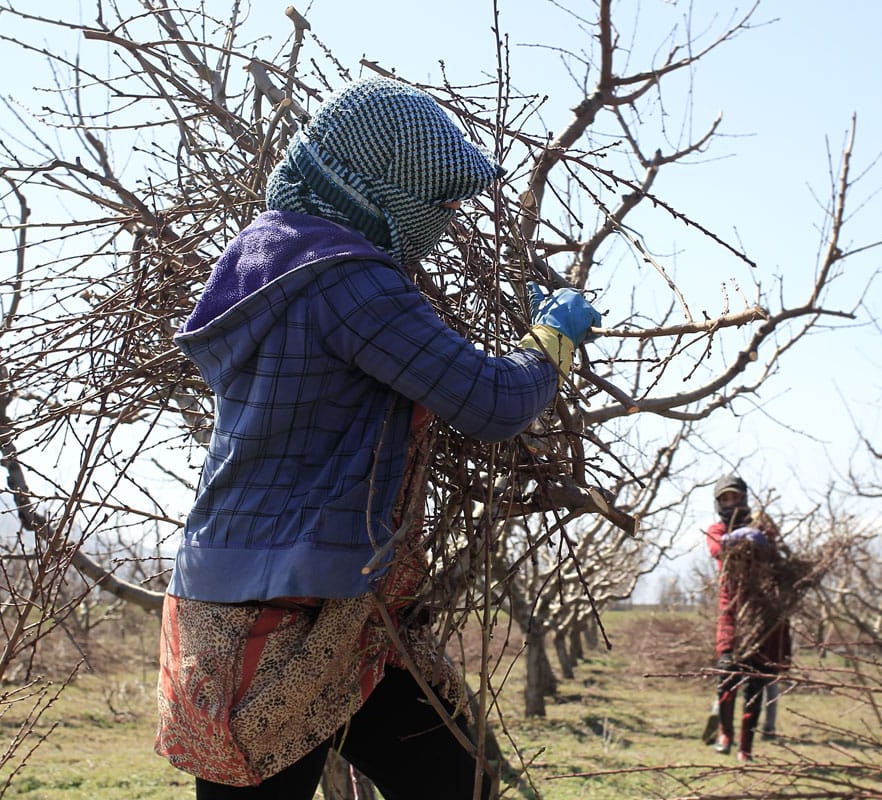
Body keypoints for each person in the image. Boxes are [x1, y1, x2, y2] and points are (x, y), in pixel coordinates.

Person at [154, 76, 602, 800]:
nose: (446, 221)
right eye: (435, 202)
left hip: (275, 596)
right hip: (289, 615)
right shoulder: (349, 281)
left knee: (460, 781)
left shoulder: (262, 256)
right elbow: (491, 401)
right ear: (377, 185)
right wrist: (553, 336)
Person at [704, 474, 791, 762]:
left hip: (759, 614)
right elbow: (718, 548)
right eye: (724, 498)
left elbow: (773, 556)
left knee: (755, 682)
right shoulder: (716, 529)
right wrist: (737, 537)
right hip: (731, 614)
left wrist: (761, 537)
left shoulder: (761, 525)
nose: (730, 502)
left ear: (744, 497)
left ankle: (745, 748)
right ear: (718, 503)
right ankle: (725, 733)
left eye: (734, 497)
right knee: (727, 676)